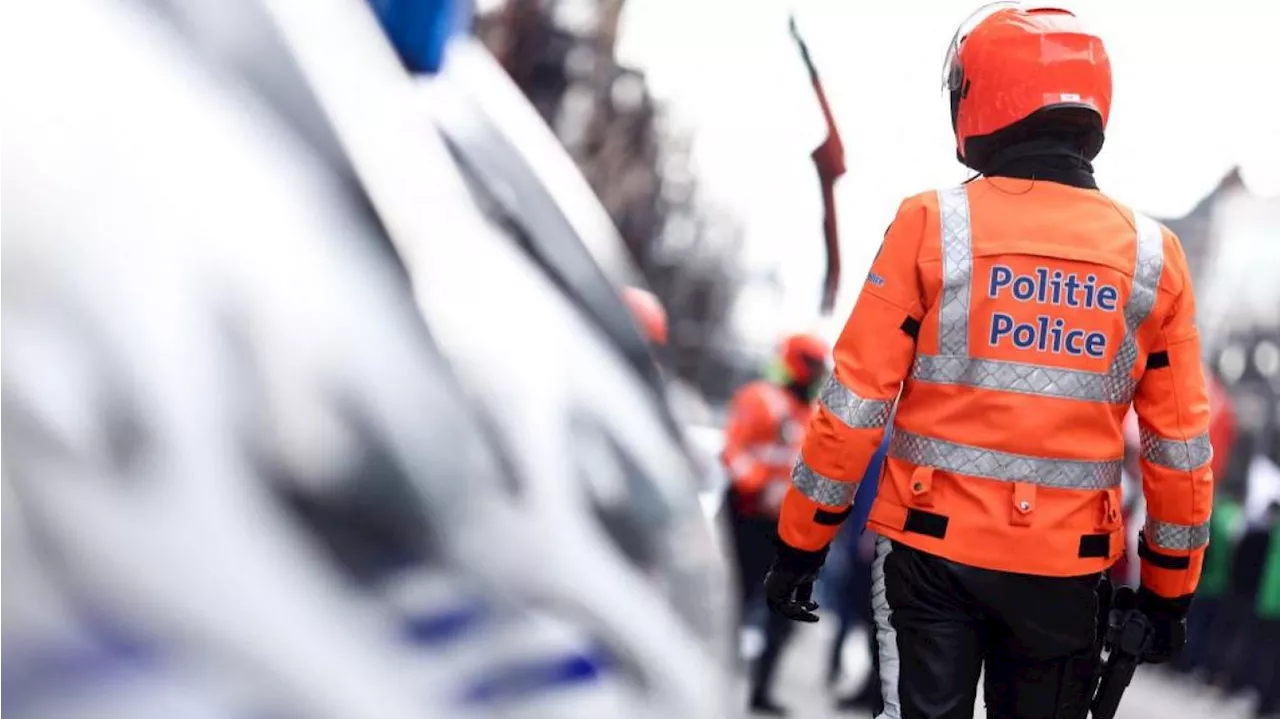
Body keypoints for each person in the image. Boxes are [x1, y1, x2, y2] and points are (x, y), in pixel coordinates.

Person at [764, 6, 1214, 719]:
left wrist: (800, 544)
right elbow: (1180, 455)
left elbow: (852, 406)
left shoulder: (930, 224)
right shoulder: (1156, 258)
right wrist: (1168, 590)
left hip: (928, 555)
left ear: (984, 93)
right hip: (1066, 568)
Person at [721, 332, 829, 715]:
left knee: (784, 609)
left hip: (788, 527)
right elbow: (732, 452)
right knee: (733, 597)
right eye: (813, 364)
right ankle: (719, 670)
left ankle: (762, 688)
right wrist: (757, 486)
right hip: (746, 516)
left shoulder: (814, 413)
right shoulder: (759, 399)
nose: (818, 373)